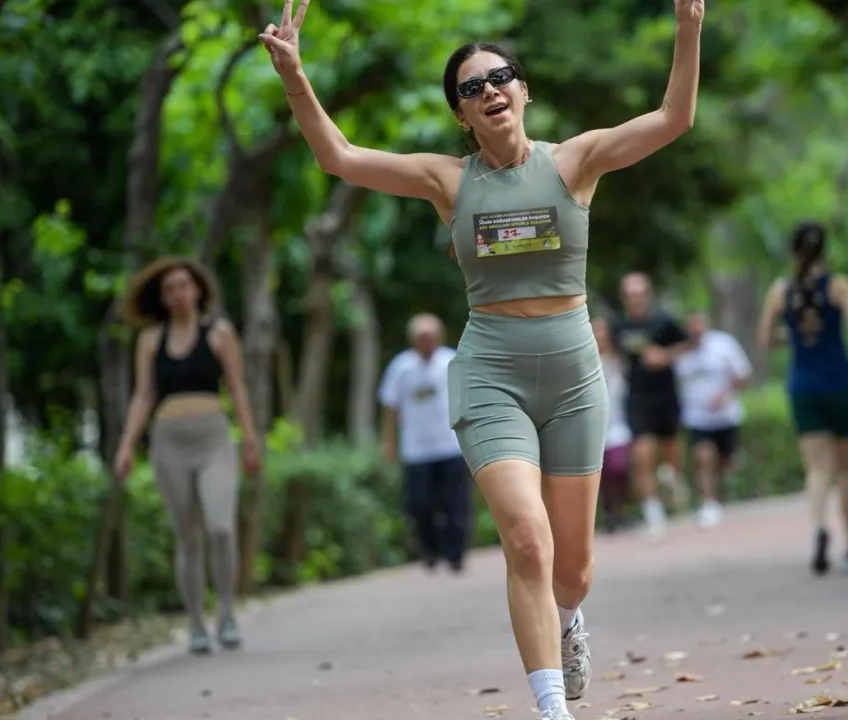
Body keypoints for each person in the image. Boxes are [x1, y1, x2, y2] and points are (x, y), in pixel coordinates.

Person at [259, 1, 703, 716]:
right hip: (492, 373)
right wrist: (295, 74)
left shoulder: (574, 161)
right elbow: (338, 157)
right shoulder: (448, 181)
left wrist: (689, 25)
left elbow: (673, 118)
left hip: (573, 378)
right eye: (472, 87)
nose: (489, 89)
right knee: (526, 540)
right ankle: (551, 707)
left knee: (573, 570)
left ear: (523, 91)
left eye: (500, 77)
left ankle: (568, 621)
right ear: (462, 115)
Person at [114, 257, 261, 655]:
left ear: (197, 290)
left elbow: (237, 387)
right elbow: (143, 395)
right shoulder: (150, 340)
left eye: (184, 285)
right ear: (162, 298)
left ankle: (226, 612)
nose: (178, 294)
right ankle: (196, 622)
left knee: (221, 527)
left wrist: (250, 439)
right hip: (169, 443)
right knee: (187, 537)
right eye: (170, 289)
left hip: (214, 440)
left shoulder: (220, 334)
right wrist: (126, 445)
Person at [757, 221, 848, 576]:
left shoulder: (781, 290)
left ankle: (820, 528)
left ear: (794, 250)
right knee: (845, 468)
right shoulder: (838, 285)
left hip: (803, 385)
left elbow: (766, 339)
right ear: (824, 249)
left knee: (817, 468)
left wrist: (793, 338)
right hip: (840, 380)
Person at [379, 313, 471, 574]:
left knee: (456, 503)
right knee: (419, 504)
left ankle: (455, 555)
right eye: (422, 337)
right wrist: (388, 442)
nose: (426, 341)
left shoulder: (451, 360)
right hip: (417, 450)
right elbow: (389, 405)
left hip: (450, 445)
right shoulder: (401, 367)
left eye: (430, 336)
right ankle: (430, 550)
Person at [611, 272, 692, 537]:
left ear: (648, 295)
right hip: (637, 397)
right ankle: (653, 513)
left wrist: (665, 356)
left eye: (639, 294)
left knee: (670, 457)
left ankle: (674, 487)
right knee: (642, 456)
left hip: (665, 396)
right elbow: (611, 352)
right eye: (630, 295)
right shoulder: (618, 326)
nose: (635, 299)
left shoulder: (664, 322)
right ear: (624, 298)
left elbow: (688, 345)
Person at [672, 311, 752, 528]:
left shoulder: (723, 344)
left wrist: (725, 395)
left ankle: (721, 489)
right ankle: (708, 504)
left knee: (726, 462)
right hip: (696, 418)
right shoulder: (682, 352)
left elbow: (743, 373)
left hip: (726, 415)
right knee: (704, 458)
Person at [592, 316, 633, 533]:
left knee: (619, 468)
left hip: (618, 424)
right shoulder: (585, 363)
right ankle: (610, 514)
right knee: (602, 475)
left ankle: (623, 509)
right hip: (594, 428)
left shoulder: (620, 360)